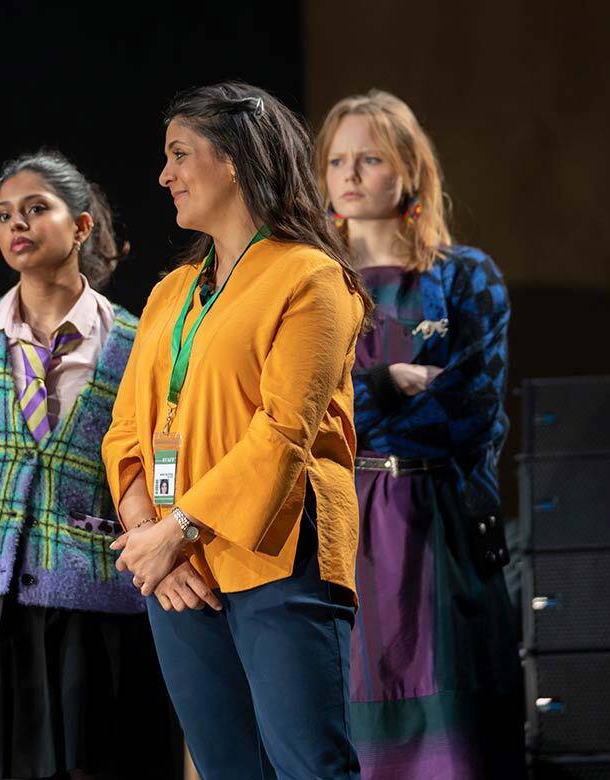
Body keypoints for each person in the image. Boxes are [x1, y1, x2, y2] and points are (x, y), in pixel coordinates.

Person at [102, 82, 372, 780]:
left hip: (279, 555)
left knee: (308, 767)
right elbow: (128, 429)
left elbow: (283, 432)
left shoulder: (310, 277)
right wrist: (147, 535)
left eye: (180, 154)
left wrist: (176, 529)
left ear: (234, 162)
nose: (165, 175)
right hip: (176, 569)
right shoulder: (171, 291)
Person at [0, 151, 175, 780]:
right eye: (5, 214)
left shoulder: (138, 338)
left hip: (99, 604)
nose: (18, 224)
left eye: (37, 209)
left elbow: (165, 450)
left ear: (83, 226)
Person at [314, 89, 523, 779]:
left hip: (444, 527)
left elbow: (474, 412)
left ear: (410, 170)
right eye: (337, 159)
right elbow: (304, 421)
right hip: (340, 531)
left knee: (457, 745)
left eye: (369, 158)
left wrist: (357, 410)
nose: (349, 174)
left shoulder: (467, 277)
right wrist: (385, 383)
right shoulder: (310, 289)